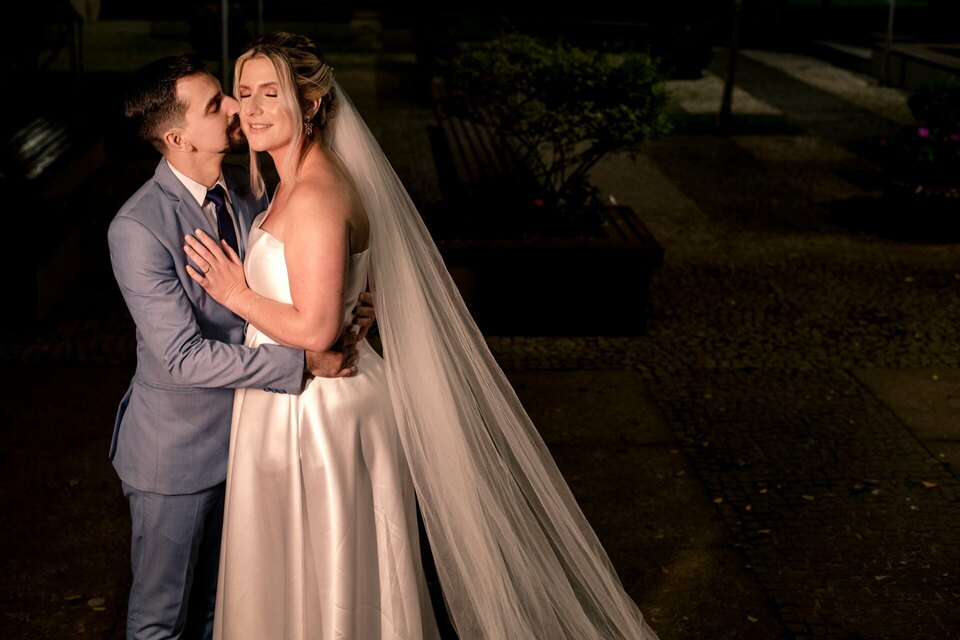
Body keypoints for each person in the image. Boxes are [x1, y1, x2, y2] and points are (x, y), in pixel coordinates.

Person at [185, 33, 661, 639]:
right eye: (243, 91)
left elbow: (316, 328)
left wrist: (237, 295)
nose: (249, 107)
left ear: (310, 104)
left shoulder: (316, 194)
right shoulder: (293, 181)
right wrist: (364, 300)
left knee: (329, 584)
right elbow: (352, 279)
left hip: (319, 416)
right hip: (291, 403)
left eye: (269, 93)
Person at [108, 53, 374, 640]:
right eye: (217, 103)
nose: (235, 107)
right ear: (177, 136)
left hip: (256, 440)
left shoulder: (250, 194)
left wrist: (347, 299)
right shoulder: (139, 228)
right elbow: (181, 357)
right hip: (175, 456)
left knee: (222, 610)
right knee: (161, 620)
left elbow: (294, 278)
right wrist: (303, 359)